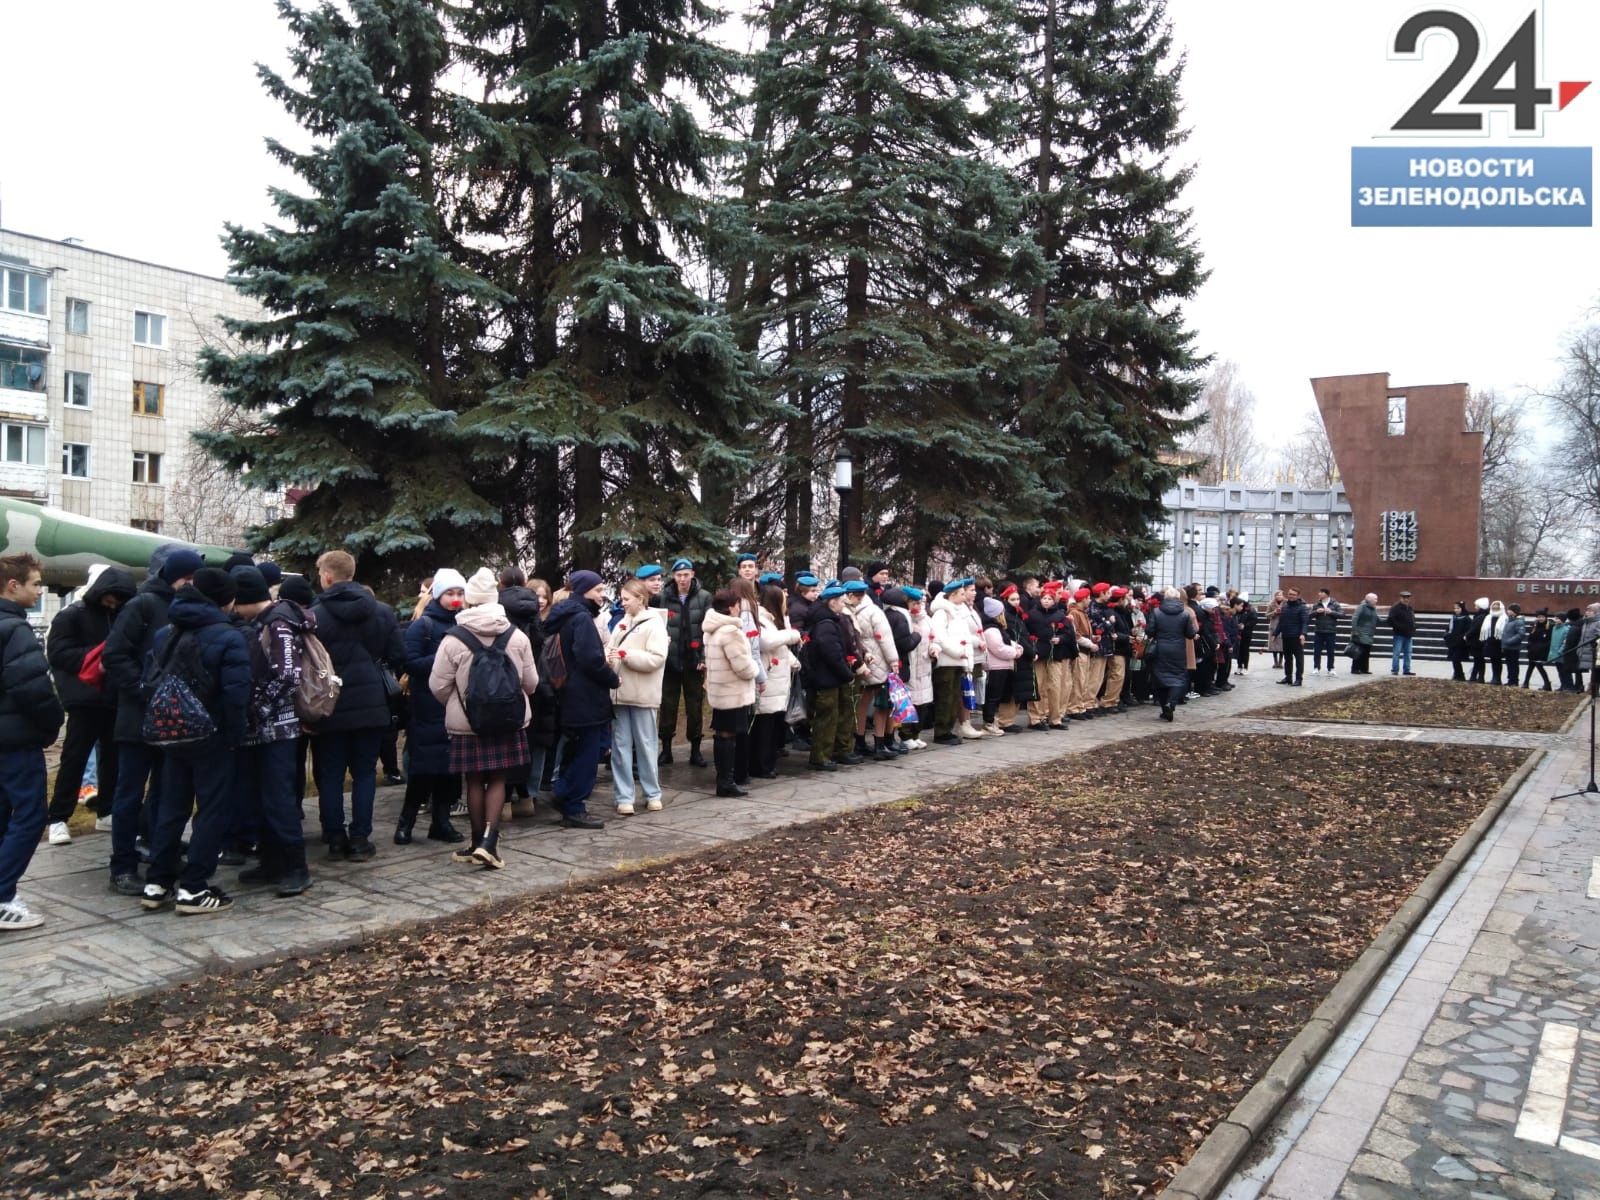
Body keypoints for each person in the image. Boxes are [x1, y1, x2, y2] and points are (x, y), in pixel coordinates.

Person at [140, 569, 251, 915]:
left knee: (171, 808)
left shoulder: (165, 633)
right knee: (212, 811)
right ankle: (194, 887)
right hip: (211, 735)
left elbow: (150, 680)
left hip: (172, 734)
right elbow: (236, 694)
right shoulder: (229, 637)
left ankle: (157, 883)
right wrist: (235, 735)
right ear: (225, 600)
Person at [102, 545, 203, 896]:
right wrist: (145, 689)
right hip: (137, 717)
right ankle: (123, 866)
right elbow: (114, 655)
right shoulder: (142, 605)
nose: (192, 583)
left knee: (166, 792)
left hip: (171, 721)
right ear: (170, 575)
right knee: (128, 794)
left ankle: (163, 853)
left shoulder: (184, 608)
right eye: (187, 577)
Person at [429, 568, 539, 867]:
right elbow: (531, 684)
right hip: (509, 720)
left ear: (470, 601)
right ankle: (490, 843)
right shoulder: (516, 636)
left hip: (467, 724)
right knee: (499, 778)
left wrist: (459, 706)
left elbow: (437, 685)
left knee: (475, 780)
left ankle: (478, 842)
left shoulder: (454, 639)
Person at [310, 550, 408, 860]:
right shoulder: (381, 612)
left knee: (330, 774)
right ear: (352, 573)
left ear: (327, 576)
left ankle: (335, 837)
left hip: (330, 705)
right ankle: (360, 838)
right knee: (365, 772)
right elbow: (398, 656)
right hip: (370, 704)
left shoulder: (315, 615)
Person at [231, 566, 313, 896]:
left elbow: (287, 676)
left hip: (277, 729)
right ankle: (271, 862)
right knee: (261, 797)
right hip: (261, 729)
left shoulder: (278, 624)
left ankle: (296, 867)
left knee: (279, 799)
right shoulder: (263, 623)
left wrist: (257, 709)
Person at [44, 565, 136, 844]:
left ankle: (105, 811)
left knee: (112, 759)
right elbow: (59, 654)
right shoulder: (72, 616)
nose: (114, 602)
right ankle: (58, 818)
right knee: (75, 758)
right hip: (85, 699)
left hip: (113, 698)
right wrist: (97, 658)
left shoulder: (121, 615)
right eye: (111, 596)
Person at [0, 553, 64, 930]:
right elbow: (34, 689)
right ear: (13, 586)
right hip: (16, 741)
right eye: (35, 584)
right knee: (29, 816)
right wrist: (51, 724)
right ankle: (3, 894)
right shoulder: (15, 630)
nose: (39, 590)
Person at [397, 570, 467, 845]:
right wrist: (444, 658)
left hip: (455, 705)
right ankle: (407, 822)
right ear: (438, 595)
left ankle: (441, 822)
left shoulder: (464, 624)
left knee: (450, 771)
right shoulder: (422, 626)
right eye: (450, 593)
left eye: (460, 593)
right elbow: (410, 664)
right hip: (427, 706)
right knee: (423, 770)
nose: (456, 599)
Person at [544, 571, 618, 828]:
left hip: (569, 694)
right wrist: (611, 678)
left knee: (576, 750)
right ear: (584, 590)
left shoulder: (563, 615)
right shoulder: (581, 619)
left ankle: (566, 797)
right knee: (588, 752)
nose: (602, 595)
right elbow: (590, 659)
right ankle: (571, 801)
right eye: (598, 590)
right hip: (585, 697)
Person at [608, 578, 669, 813]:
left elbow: (656, 658)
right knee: (621, 746)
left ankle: (652, 793)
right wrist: (610, 658)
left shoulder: (654, 624)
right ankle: (624, 796)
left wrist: (625, 655)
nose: (622, 603)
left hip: (643, 694)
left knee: (646, 745)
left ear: (640, 599)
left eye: (626, 599)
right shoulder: (622, 623)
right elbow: (612, 650)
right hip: (620, 694)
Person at [702, 587, 760, 796]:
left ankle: (724, 779)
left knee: (722, 734)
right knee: (728, 736)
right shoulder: (730, 632)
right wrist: (755, 669)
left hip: (720, 690)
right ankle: (726, 781)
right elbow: (742, 665)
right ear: (731, 608)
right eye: (737, 605)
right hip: (733, 692)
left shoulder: (711, 629)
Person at [497, 566, 544, 815]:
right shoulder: (533, 605)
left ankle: (503, 802)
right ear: (525, 582)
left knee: (504, 742)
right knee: (526, 740)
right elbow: (539, 638)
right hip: (530, 680)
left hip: (501, 679)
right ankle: (526, 798)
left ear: (501, 583)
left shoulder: (497, 604)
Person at [656, 558, 710, 768]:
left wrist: (704, 657)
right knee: (667, 705)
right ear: (674, 577)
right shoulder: (663, 598)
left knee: (695, 705)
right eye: (679, 575)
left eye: (686, 574)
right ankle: (666, 749)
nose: (683, 579)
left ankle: (695, 750)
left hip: (693, 660)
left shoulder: (704, 597)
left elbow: (707, 629)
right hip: (670, 660)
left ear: (692, 574)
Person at [843, 580, 900, 760]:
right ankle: (880, 743)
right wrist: (893, 660)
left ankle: (859, 740)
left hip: (859, 659)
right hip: (875, 659)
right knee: (881, 703)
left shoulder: (846, 611)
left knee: (862, 701)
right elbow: (884, 637)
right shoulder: (873, 611)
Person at [802, 584, 854, 771]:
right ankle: (820, 756)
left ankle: (830, 752)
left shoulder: (829, 621)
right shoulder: (826, 625)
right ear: (832, 602)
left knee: (833, 717)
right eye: (841, 601)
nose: (843, 605)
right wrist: (847, 674)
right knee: (826, 719)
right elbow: (832, 653)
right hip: (826, 679)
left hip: (830, 678)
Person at [752, 584, 802, 776]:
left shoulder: (773, 620)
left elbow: (779, 649)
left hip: (778, 683)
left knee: (772, 726)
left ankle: (767, 762)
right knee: (764, 727)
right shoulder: (762, 620)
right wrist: (792, 635)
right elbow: (768, 642)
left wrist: (793, 661)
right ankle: (762, 766)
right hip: (770, 682)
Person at [929, 579, 978, 744]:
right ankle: (941, 731)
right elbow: (940, 637)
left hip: (958, 661)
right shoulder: (942, 613)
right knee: (945, 697)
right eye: (962, 594)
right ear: (953, 595)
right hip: (947, 661)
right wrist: (958, 652)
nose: (965, 597)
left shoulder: (958, 612)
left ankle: (948, 728)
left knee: (954, 697)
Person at [1146, 587, 1197, 722]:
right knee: (1178, 677)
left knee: (1160, 678)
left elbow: (1149, 631)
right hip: (1178, 650)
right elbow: (1190, 634)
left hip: (1160, 649)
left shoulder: (1156, 612)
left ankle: (1165, 708)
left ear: (1165, 598)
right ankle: (1171, 704)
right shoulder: (1185, 614)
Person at [978, 597, 1022, 734]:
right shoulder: (991, 630)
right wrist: (1015, 652)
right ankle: (988, 722)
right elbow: (999, 648)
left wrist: (1016, 647)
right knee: (992, 697)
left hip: (1002, 666)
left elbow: (1007, 643)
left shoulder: (997, 629)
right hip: (995, 667)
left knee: (996, 696)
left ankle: (990, 720)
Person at [998, 584, 1036, 731]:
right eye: (1012, 599)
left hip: (1022, 656)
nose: (1016, 602)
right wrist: (1030, 651)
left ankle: (1009, 719)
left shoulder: (1017, 614)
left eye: (1017, 599)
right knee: (1011, 689)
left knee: (1018, 690)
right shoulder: (1008, 616)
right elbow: (1017, 637)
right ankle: (1005, 720)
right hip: (1016, 656)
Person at [1276, 587, 1308, 686]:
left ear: (1298, 596)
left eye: (1293, 594)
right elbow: (1281, 622)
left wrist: (1303, 634)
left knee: (1299, 658)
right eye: (1290, 594)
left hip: (1296, 637)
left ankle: (1299, 679)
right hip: (1286, 636)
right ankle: (1288, 677)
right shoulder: (1285, 606)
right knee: (1287, 658)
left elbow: (1305, 622)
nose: (1291, 596)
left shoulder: (1302, 607)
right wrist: (1275, 634)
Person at [1309, 588, 1341, 676]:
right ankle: (1316, 668)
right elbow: (1309, 615)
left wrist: (1331, 612)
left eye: (1321, 592)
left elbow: (1341, 615)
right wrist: (1316, 611)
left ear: (1326, 594)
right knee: (1317, 651)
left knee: (1330, 651)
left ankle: (1331, 668)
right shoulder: (1317, 604)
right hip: (1318, 631)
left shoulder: (1334, 604)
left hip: (1331, 631)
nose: (1319, 594)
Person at [1386, 589, 1417, 676]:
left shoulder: (1409, 608)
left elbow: (1412, 619)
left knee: (1408, 653)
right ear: (1400, 598)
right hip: (1399, 634)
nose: (1406, 599)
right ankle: (1395, 669)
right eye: (1404, 597)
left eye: (1407, 597)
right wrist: (1399, 627)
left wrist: (1413, 628)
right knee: (1397, 652)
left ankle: (1406, 670)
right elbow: (1390, 620)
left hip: (1408, 634)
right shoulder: (1395, 608)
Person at [1523, 609, 1554, 691]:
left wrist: (1542, 647)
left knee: (1539, 667)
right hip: (1533, 651)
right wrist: (1529, 646)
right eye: (1539, 617)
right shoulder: (1535, 625)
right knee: (1531, 666)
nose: (1540, 618)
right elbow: (1531, 637)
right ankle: (1526, 682)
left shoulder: (1549, 626)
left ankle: (1547, 684)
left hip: (1541, 651)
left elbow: (1549, 640)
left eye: (1542, 617)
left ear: (1545, 617)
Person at [1482, 600, 1509, 685]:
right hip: (1490, 641)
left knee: (1498, 660)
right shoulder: (1489, 617)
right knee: (1493, 660)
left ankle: (1497, 678)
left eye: (1497, 606)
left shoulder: (1504, 618)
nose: (1495, 608)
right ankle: (1494, 677)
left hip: (1499, 642)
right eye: (1493, 606)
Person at [1445, 600, 1472, 681]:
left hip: (1461, 643)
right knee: (1453, 659)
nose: (1456, 610)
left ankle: (1459, 674)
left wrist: (1463, 637)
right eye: (1455, 608)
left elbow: (1468, 630)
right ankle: (1457, 674)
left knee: (1456, 659)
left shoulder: (1467, 619)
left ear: (1462, 609)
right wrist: (1446, 635)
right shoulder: (1453, 618)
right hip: (1453, 642)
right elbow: (1448, 628)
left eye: (1458, 608)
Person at [1500, 603, 1526, 687]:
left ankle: (1514, 681)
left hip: (1513, 648)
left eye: (1510, 610)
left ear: (1514, 612)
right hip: (1507, 647)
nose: (1508, 611)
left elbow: (1521, 634)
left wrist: (1509, 641)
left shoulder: (1518, 622)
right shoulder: (1509, 620)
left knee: (1513, 665)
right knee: (1509, 664)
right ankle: (1510, 680)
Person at [1466, 597, 1491, 683]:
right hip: (1477, 641)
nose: (1475, 607)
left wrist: (1467, 635)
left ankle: (1480, 677)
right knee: (1478, 660)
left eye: (1476, 606)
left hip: (1477, 641)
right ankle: (1475, 676)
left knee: (1479, 659)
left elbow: (1475, 628)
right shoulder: (1481, 616)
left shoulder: (1481, 617)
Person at [1233, 596, 1258, 675]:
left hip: (1246, 633)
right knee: (1239, 650)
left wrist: (1245, 625)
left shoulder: (1251, 610)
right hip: (1238, 632)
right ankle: (1239, 665)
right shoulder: (1239, 610)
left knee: (1245, 649)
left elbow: (1254, 621)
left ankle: (1245, 666)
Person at [1267, 590, 1285, 671]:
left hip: (1283, 625)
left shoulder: (1286, 603)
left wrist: (1282, 612)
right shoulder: (1271, 604)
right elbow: (1266, 615)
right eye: (1277, 595)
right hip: (1274, 626)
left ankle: (1281, 662)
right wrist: (1274, 612)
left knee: (1282, 645)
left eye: (1280, 595)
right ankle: (1275, 661)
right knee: (1274, 645)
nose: (1279, 596)